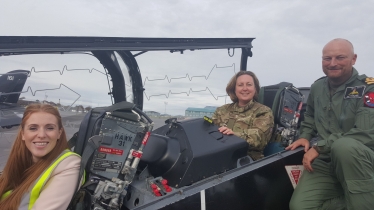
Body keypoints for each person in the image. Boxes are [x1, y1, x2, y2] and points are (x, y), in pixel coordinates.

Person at [286, 38, 374, 210]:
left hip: (360, 159)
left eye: (340, 57)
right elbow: (310, 115)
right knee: (300, 206)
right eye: (327, 58)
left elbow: (365, 132)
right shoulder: (318, 87)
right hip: (326, 161)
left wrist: (319, 147)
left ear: (353, 59)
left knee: (344, 146)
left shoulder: (368, 88)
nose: (333, 63)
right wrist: (305, 135)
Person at [0, 104, 81, 210]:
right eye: (33, 128)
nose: (41, 135)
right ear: (23, 134)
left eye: (50, 128)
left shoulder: (69, 164)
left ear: (59, 133)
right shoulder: (22, 162)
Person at [212, 71, 274, 160]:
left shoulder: (264, 111)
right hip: (219, 158)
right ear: (234, 89)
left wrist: (234, 134)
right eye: (240, 85)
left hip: (247, 163)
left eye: (249, 84)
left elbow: (259, 139)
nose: (245, 88)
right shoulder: (221, 110)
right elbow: (209, 132)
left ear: (255, 89)